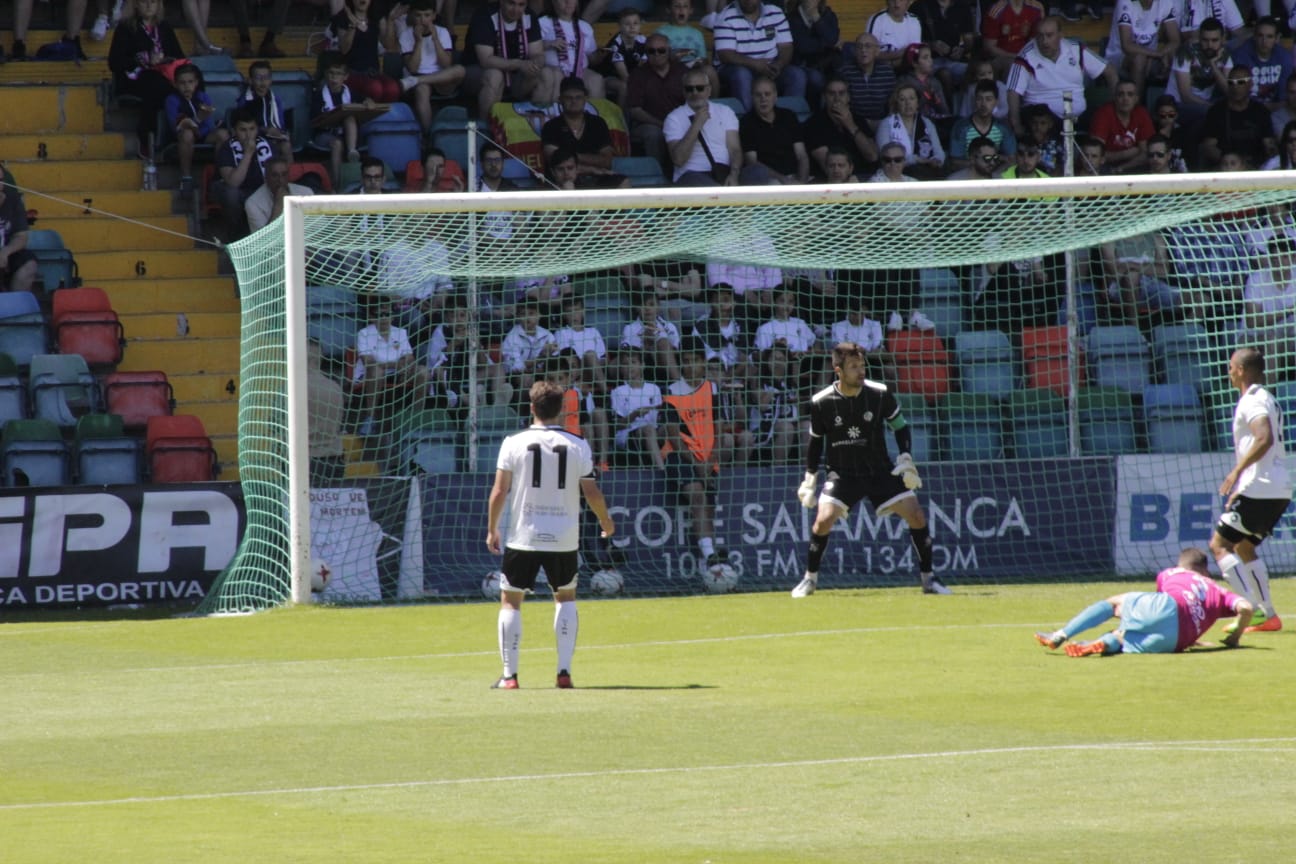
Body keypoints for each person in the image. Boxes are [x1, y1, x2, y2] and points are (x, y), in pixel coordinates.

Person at [791, 341, 951, 597]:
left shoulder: (879, 394)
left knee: (917, 516)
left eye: (862, 365)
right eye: (854, 367)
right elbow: (815, 442)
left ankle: (929, 580)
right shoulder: (821, 402)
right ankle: (809, 580)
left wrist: (906, 457)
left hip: (879, 471)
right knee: (822, 522)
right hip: (842, 473)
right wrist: (809, 479)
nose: (861, 371)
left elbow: (900, 426)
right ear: (838, 370)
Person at [486, 379, 616, 690]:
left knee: (511, 601)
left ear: (531, 408)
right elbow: (592, 492)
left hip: (524, 536)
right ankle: (564, 671)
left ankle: (509, 676)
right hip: (563, 537)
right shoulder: (577, 444)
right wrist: (606, 521)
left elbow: (500, 490)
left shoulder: (512, 442)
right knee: (566, 598)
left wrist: (492, 527)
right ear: (562, 410)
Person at [1209, 347, 1292, 634]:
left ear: (1242, 370)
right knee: (1244, 547)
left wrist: (1236, 472)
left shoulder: (1251, 401)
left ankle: (1250, 608)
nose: (1229, 371)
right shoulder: (1266, 397)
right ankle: (1267, 615)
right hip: (1276, 488)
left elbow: (1264, 438)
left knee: (1219, 546)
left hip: (1261, 486)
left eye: (1231, 366)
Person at [1034, 547, 1253, 655]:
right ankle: (1101, 643)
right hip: (1178, 640)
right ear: (1205, 569)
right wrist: (1234, 638)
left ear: (1181, 564)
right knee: (1121, 638)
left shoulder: (1170, 574)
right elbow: (1246, 608)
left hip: (1169, 606)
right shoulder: (1219, 590)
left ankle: (1059, 635)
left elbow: (1165, 610)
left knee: (1115, 604)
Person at [660, 341, 732, 566]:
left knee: (708, 507)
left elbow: (720, 428)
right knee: (697, 496)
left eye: (696, 361)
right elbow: (673, 436)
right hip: (680, 455)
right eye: (687, 361)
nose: (692, 366)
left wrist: (710, 461)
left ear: (703, 363)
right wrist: (697, 464)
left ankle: (708, 559)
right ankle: (710, 556)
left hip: (707, 457)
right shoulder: (671, 392)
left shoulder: (712, 389)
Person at [1007, 16, 1117, 137]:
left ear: (1060, 35)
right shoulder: (1025, 56)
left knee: (1101, 119)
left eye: (1049, 35)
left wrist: (1114, 109)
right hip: (1041, 120)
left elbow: (1110, 71)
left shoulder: (1076, 49)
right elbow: (1013, 92)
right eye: (1040, 36)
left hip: (1077, 116)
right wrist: (1016, 125)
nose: (1044, 41)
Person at [107, 0, 185, 159]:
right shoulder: (126, 28)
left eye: (153, 2)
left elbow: (179, 57)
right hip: (133, 79)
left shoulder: (164, 27)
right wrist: (145, 60)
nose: (149, 5)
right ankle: (146, 137)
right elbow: (115, 62)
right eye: (144, 1)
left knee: (190, 76)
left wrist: (164, 61)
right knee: (155, 83)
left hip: (163, 76)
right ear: (136, 5)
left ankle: (195, 124)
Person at [464, 0, 558, 120]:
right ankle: (487, 131)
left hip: (515, 76)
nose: (516, 10)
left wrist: (535, 64)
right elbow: (486, 60)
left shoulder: (529, 15)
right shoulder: (484, 15)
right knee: (495, 76)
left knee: (546, 74)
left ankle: (534, 128)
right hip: (478, 73)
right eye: (511, 3)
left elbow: (538, 53)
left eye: (521, 5)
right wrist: (519, 64)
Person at [712, 0, 804, 113]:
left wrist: (779, 64)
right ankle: (748, 124)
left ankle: (788, 122)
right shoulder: (725, 17)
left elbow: (786, 47)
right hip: (735, 68)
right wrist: (756, 65)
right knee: (742, 75)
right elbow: (726, 54)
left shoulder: (776, 13)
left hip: (770, 67)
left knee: (796, 75)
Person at [540, 76, 625, 188]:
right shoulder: (551, 126)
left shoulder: (598, 123)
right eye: (568, 98)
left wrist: (573, 156)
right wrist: (593, 168)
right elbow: (558, 163)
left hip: (596, 178)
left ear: (585, 99)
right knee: (568, 185)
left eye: (578, 97)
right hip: (564, 179)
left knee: (623, 181)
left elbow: (606, 161)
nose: (574, 101)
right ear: (560, 100)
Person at [663, 69, 743, 186]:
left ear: (709, 90)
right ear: (684, 92)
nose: (695, 93)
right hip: (691, 176)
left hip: (722, 173)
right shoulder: (674, 118)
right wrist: (696, 124)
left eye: (700, 88)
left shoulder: (725, 112)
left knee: (756, 172)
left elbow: (734, 149)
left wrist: (734, 174)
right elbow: (678, 159)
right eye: (689, 89)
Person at [398, 0, 467, 133]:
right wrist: (418, 41)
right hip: (416, 77)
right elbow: (412, 68)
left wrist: (435, 39)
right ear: (412, 15)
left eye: (427, 15)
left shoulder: (442, 32)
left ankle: (418, 81)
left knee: (460, 70)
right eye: (418, 15)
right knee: (422, 89)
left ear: (434, 16)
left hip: (440, 78)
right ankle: (429, 134)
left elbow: (446, 64)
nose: (423, 20)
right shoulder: (405, 35)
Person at [165, 62, 229, 200]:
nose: (186, 86)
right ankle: (186, 177)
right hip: (182, 137)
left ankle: (218, 176)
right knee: (187, 134)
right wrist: (197, 120)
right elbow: (175, 125)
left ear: (196, 83)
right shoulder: (172, 100)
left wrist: (197, 125)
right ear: (175, 84)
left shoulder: (203, 97)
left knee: (223, 134)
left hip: (204, 134)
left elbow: (209, 125)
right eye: (182, 83)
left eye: (190, 82)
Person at [624, 32, 688, 168]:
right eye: (651, 51)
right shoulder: (637, 75)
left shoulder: (682, 71)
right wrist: (661, 124)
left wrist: (676, 124)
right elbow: (635, 110)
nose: (656, 54)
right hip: (648, 124)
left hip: (679, 121)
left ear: (669, 51)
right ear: (646, 53)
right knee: (653, 134)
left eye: (661, 50)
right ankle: (657, 174)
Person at [1200, 65, 1277, 170]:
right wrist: (1230, 163)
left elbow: (1269, 144)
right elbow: (1209, 146)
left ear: (1250, 84)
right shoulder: (1216, 111)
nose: (1235, 86)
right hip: (1226, 168)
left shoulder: (1261, 111)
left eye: (1240, 82)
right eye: (1231, 82)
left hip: (1255, 169)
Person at [214, 108, 274, 240]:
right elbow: (233, 182)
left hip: (260, 190)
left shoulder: (266, 145)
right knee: (231, 193)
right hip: (236, 191)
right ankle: (235, 235)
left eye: (252, 129)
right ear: (234, 131)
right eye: (243, 130)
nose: (248, 135)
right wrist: (248, 153)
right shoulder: (227, 148)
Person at [804, 75, 879, 178]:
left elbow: (872, 156)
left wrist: (850, 125)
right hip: (832, 182)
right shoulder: (813, 124)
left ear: (848, 97)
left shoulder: (858, 120)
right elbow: (829, 168)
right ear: (825, 97)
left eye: (841, 93)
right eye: (832, 94)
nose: (837, 98)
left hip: (865, 177)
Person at [310, 52, 367, 190]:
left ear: (345, 77)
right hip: (325, 134)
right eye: (331, 73)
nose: (334, 77)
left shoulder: (351, 93)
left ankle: (352, 151)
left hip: (347, 135)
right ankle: (337, 184)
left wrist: (367, 102)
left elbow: (365, 102)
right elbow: (315, 120)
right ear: (326, 74)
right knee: (336, 144)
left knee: (349, 117)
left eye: (338, 74)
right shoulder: (318, 95)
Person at [739, 75, 810, 184]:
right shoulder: (746, 122)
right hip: (769, 180)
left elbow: (802, 155)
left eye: (767, 94)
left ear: (775, 96)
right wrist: (784, 181)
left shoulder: (789, 116)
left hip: (796, 177)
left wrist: (802, 183)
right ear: (752, 97)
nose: (763, 99)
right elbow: (752, 161)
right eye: (758, 95)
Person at [1102, 0, 1180, 99]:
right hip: (1120, 57)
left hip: (1150, 55)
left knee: (1174, 54)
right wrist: (1156, 55)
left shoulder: (1165, 2)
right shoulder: (1125, 2)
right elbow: (1127, 46)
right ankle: (1136, 107)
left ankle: (1171, 105)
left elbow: (1175, 40)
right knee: (1139, 59)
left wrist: (1163, 53)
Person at [335, 0, 402, 104]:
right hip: (352, 72)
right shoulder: (343, 17)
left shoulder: (376, 17)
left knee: (393, 89)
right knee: (375, 88)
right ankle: (366, 118)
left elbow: (389, 46)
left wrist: (391, 20)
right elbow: (344, 49)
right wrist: (353, 26)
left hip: (373, 71)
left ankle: (384, 118)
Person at [874, 81, 946, 178]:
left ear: (917, 102)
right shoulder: (886, 124)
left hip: (927, 170)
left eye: (912, 98)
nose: (908, 103)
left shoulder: (927, 123)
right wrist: (916, 160)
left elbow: (939, 152)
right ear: (896, 103)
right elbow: (885, 156)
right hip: (896, 172)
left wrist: (937, 160)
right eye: (902, 99)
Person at [610, 350, 666, 468]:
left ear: (642, 365)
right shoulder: (618, 391)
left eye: (633, 362)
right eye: (625, 364)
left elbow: (660, 417)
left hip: (654, 430)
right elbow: (618, 425)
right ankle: (661, 469)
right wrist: (635, 414)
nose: (630, 366)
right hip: (629, 434)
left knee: (671, 427)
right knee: (648, 429)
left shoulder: (654, 389)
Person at [1088, 79, 1155, 174]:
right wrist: (1127, 153)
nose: (1125, 98)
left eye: (1130, 94)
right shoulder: (1103, 114)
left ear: (1136, 99)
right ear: (1114, 97)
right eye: (1121, 94)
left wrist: (1122, 168)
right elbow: (1097, 155)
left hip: (1133, 165)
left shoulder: (1141, 113)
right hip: (1105, 167)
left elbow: (1145, 153)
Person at [947, 79, 1016, 171]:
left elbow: (1011, 159)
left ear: (996, 102)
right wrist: (982, 163)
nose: (983, 104)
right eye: (979, 99)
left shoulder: (1003, 127)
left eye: (988, 99)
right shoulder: (961, 127)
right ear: (975, 101)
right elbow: (955, 162)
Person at [307, 339, 347, 486]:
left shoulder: (291, 389)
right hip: (334, 460)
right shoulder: (335, 387)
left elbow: (276, 428)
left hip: (305, 463)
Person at [785, 0, 840, 104]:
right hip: (800, 64)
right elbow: (803, 46)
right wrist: (826, 44)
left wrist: (817, 18)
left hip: (825, 65)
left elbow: (832, 38)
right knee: (814, 78)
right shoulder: (791, 17)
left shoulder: (828, 15)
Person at [1231, 16, 1291, 110]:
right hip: (1247, 110)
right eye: (1260, 35)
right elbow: (1238, 94)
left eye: (1269, 36)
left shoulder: (1284, 58)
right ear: (1254, 36)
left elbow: (1284, 96)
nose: (1264, 41)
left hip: (1276, 110)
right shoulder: (1240, 56)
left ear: (1277, 38)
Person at [239, 60, 292, 161]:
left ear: (271, 80)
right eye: (258, 78)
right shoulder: (245, 101)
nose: (263, 83)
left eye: (266, 78)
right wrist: (265, 130)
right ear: (250, 80)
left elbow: (281, 124)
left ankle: (288, 176)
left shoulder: (276, 100)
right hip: (252, 138)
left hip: (274, 137)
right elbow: (244, 128)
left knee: (286, 145)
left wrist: (280, 133)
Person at [245, 157, 313, 233]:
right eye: (275, 175)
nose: (280, 180)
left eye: (284, 174)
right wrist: (278, 206)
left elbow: (316, 228)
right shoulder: (253, 203)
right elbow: (262, 240)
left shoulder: (306, 192)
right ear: (266, 177)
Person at [981, 0, 1046, 77]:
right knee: (1013, 66)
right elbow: (990, 47)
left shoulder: (1036, 8)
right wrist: (1017, 57)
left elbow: (1036, 41)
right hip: (1001, 57)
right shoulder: (997, 10)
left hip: (1026, 56)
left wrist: (1027, 57)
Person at [0, 175, 37, 294]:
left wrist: (6, 251)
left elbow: (21, 236)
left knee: (28, 264)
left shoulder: (13, 201)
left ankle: (16, 307)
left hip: (7, 251)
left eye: (1, 180)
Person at [867, 0, 923, 67]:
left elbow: (915, 53)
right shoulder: (877, 19)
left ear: (908, 3)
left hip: (907, 70)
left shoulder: (914, 20)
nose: (897, 4)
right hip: (882, 69)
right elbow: (868, 53)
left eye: (901, 0)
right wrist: (899, 54)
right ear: (887, 2)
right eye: (893, 0)